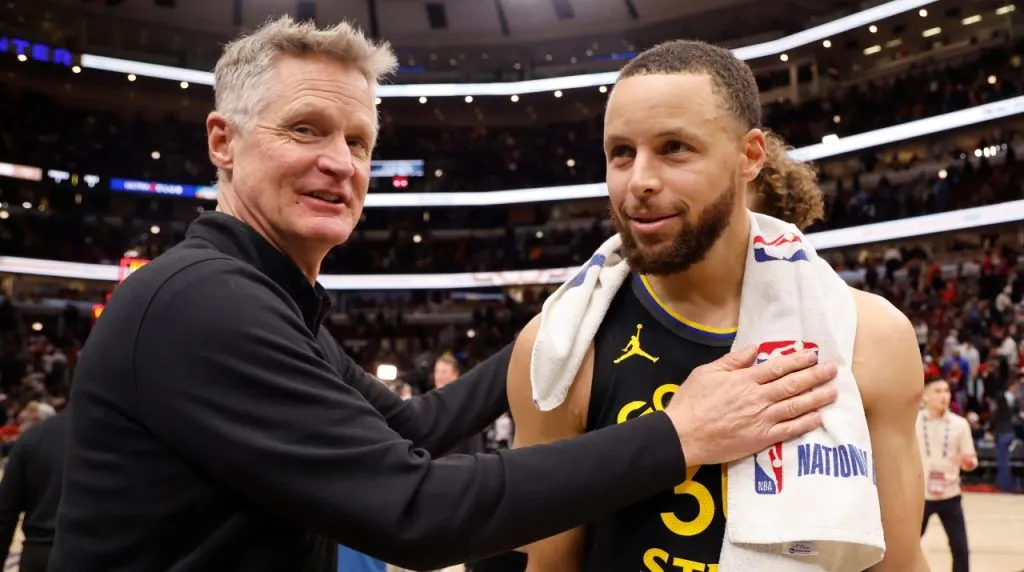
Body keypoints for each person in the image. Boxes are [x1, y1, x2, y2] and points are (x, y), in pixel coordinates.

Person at [51, 18, 839, 572]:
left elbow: (413, 424)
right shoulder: (200, 305)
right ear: (222, 141)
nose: (341, 163)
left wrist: (566, 315)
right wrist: (681, 433)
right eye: (306, 130)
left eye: (359, 142)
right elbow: (419, 512)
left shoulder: (261, 295)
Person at [507, 40, 928, 571]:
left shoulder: (872, 337)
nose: (640, 181)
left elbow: (900, 563)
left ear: (750, 156)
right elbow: (551, 567)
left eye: (675, 147)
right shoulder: (558, 349)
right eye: (621, 153)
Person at [918, 377, 976, 572]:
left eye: (947, 391)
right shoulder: (913, 421)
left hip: (950, 494)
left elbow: (971, 460)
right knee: (904, 547)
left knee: (960, 548)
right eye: (938, 391)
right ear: (925, 395)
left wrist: (967, 463)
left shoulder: (960, 424)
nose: (944, 395)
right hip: (920, 496)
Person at [0, 409, 69, 572]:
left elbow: (5, 514)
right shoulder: (127, 437)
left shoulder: (34, 436)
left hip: (40, 554)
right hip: (104, 554)